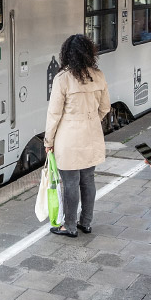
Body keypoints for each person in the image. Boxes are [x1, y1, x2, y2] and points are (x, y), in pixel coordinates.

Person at [44, 34, 111, 237]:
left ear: (66, 54)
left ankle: (70, 225)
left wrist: (49, 141)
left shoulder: (62, 79)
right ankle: (86, 222)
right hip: (92, 135)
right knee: (88, 180)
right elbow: (105, 107)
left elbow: (54, 114)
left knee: (71, 183)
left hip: (68, 138)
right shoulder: (98, 75)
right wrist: (91, 120)